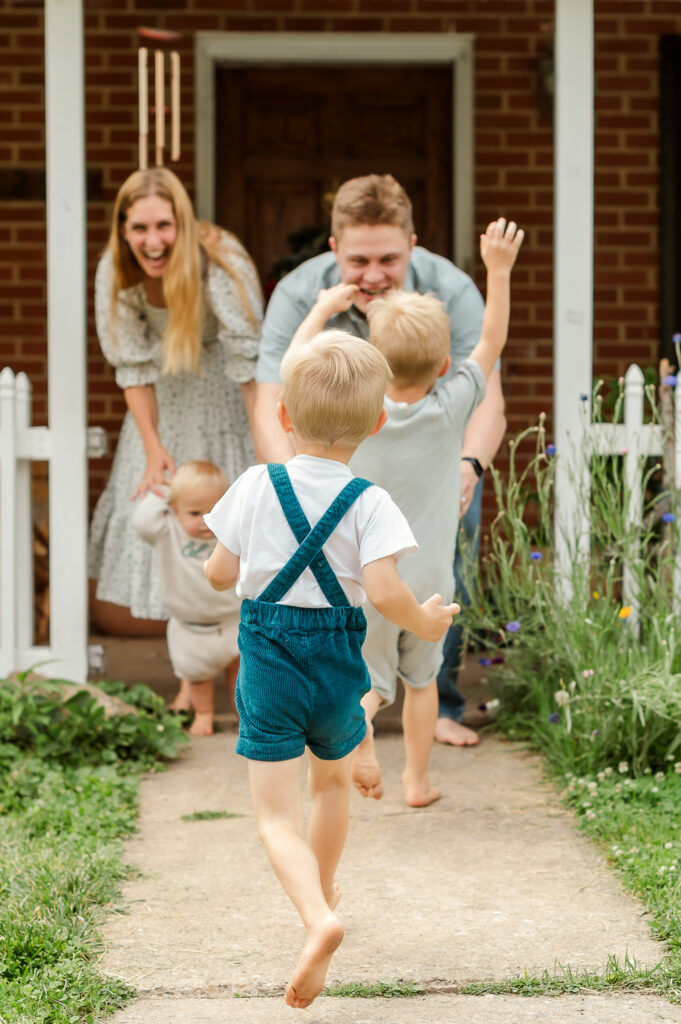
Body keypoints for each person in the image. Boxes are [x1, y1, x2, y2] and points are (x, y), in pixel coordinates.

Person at [203, 328, 458, 1009]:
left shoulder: (257, 485)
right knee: (333, 789)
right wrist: (425, 623)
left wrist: (222, 563)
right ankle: (325, 888)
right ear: (375, 423)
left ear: (282, 413)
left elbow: (220, 572)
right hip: (338, 663)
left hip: (271, 663)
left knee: (274, 818)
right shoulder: (370, 501)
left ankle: (317, 916)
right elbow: (382, 593)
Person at [252, 173, 506, 747]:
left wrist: (469, 469)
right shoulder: (299, 293)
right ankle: (347, 691)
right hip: (337, 468)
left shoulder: (451, 290)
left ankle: (437, 701)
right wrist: (293, 489)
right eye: (359, 259)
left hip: (433, 466)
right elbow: (271, 399)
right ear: (334, 248)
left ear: (413, 244)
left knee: (449, 536)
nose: (373, 275)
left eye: (388, 259)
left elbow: (490, 402)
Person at [292, 218, 523, 805]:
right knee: (421, 682)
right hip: (428, 580)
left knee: (366, 679)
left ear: (373, 360)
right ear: (445, 364)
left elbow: (296, 366)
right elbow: (491, 341)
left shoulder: (362, 409)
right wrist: (498, 270)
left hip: (366, 579)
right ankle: (416, 781)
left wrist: (321, 311)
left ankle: (363, 723)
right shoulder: (452, 405)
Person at [88, 167, 263, 635]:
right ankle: (186, 662)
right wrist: (152, 445)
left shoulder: (220, 260)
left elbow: (249, 363)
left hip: (222, 394)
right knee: (155, 514)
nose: (152, 241)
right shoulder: (116, 269)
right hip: (160, 404)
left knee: (227, 515)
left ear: (182, 224)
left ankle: (236, 656)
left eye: (163, 226)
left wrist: (264, 448)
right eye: (139, 228)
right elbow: (132, 367)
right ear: (123, 229)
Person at [132, 460, 239, 736]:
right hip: (191, 626)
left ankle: (245, 715)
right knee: (197, 676)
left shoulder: (230, 531)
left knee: (241, 673)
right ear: (174, 509)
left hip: (232, 619)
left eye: (214, 511)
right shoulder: (168, 530)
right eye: (194, 512)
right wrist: (166, 492)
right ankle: (204, 714)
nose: (206, 521)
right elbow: (141, 522)